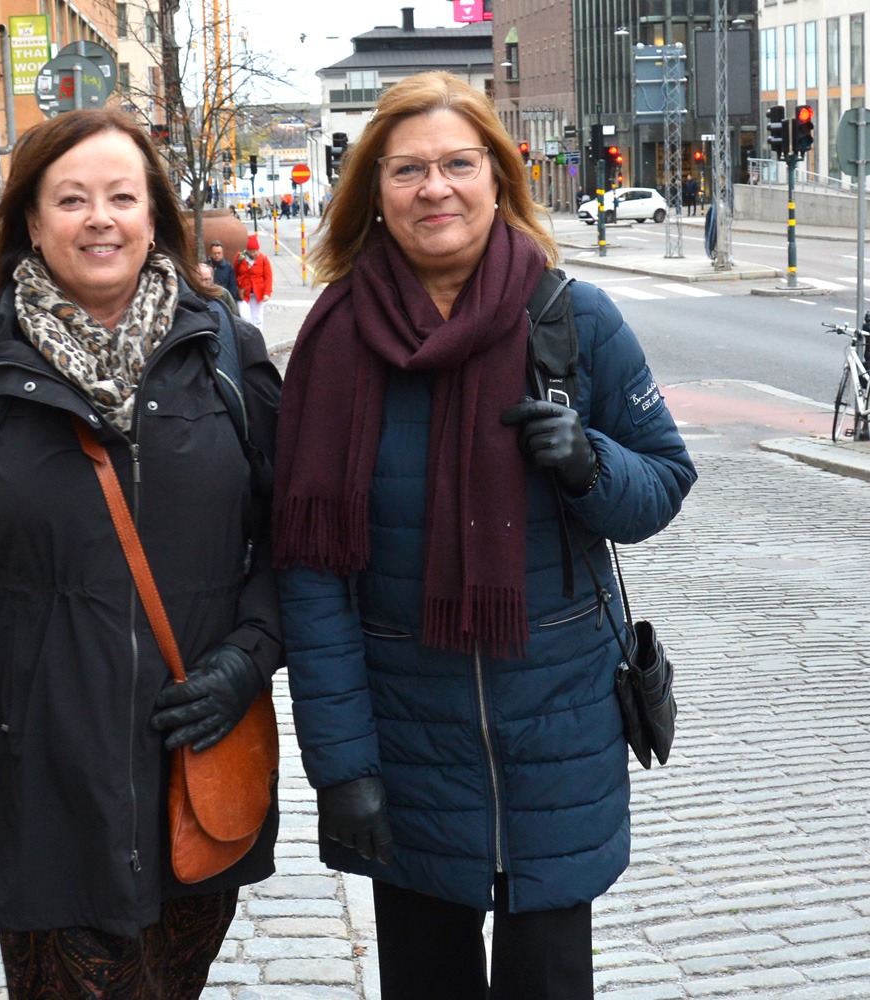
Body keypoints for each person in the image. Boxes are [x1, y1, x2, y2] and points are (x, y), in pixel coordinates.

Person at [275, 71, 697, 1000]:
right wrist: (342, 768)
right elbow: (310, 577)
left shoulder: (574, 320)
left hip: (557, 734)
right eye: (408, 170)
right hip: (406, 740)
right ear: (373, 194)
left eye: (459, 163)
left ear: (498, 179)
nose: (436, 188)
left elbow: (663, 483)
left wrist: (589, 464)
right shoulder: (337, 343)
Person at [0, 106, 284, 1000]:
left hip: (192, 755)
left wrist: (248, 660)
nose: (99, 218)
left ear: (154, 217)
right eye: (71, 198)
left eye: (121, 196)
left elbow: (293, 536)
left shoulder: (223, 354)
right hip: (38, 770)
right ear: (32, 220)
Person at [235, 234, 273, 326]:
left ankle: (258, 336)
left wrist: (267, 293)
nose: (254, 254)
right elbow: (235, 273)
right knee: (245, 317)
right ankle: (248, 336)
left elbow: (268, 277)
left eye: (255, 251)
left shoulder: (263, 259)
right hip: (244, 293)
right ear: (247, 250)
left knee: (258, 318)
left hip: (258, 293)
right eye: (251, 251)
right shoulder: (240, 258)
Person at [206, 239, 241, 303]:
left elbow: (232, 289)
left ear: (222, 253)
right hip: (208, 299)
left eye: (219, 253)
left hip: (223, 300)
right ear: (211, 253)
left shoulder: (229, 268)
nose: (217, 255)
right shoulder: (205, 266)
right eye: (214, 253)